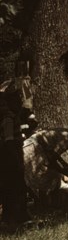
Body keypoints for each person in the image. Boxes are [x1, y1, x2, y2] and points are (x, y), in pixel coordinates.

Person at [0, 92, 31, 225]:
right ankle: (16, 217)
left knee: (14, 187)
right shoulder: (8, 119)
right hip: (10, 157)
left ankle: (16, 216)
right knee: (16, 187)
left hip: (14, 154)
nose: (19, 104)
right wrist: (17, 161)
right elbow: (9, 142)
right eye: (16, 102)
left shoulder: (13, 118)